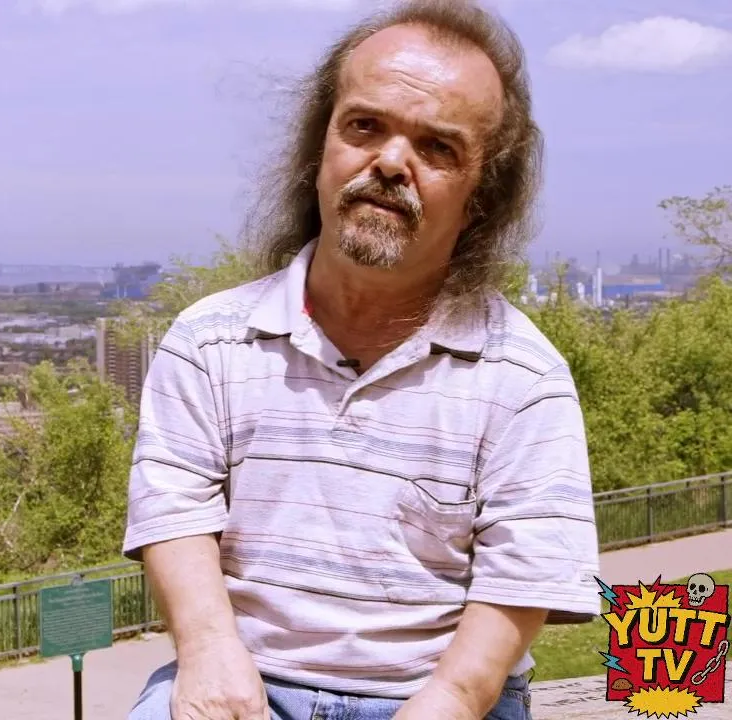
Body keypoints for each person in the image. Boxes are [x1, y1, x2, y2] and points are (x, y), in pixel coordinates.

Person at [121, 1, 603, 719]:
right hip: (243, 676)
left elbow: (524, 575)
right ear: (320, 147)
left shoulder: (525, 378)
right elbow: (174, 509)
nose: (391, 162)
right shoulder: (209, 341)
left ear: (481, 195)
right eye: (365, 126)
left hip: (439, 696)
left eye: (438, 147)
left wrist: (450, 698)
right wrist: (211, 652)